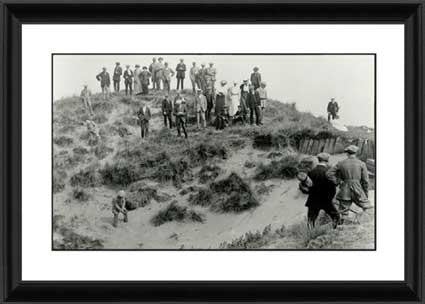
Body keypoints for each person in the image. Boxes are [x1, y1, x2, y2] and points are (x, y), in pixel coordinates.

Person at [326, 145, 372, 221]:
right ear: (356, 153)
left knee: (343, 212)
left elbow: (329, 173)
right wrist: (365, 194)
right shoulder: (361, 164)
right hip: (358, 189)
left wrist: (338, 181)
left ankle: (342, 227)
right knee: (368, 207)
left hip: (345, 190)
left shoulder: (341, 163)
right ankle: (364, 223)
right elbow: (366, 181)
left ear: (347, 153)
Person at [302, 153, 340, 229]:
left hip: (313, 200)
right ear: (327, 160)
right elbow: (333, 187)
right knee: (336, 216)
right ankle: (335, 231)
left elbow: (306, 186)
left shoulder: (311, 172)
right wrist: (331, 197)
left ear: (318, 160)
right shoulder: (329, 172)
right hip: (326, 200)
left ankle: (309, 235)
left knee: (311, 220)